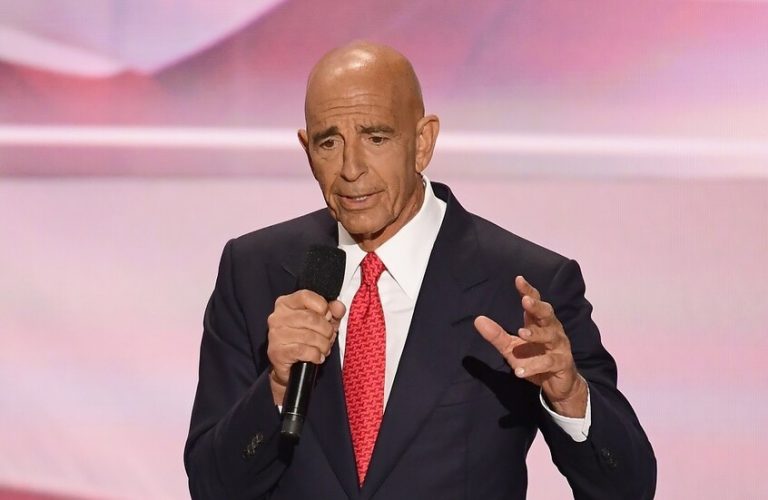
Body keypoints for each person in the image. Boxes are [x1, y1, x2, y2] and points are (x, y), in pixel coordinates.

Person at [184, 41, 656, 499]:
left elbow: (629, 488)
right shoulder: (252, 272)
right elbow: (210, 486)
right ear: (307, 150)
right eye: (329, 142)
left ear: (423, 142)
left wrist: (570, 398)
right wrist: (276, 387)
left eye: (376, 138)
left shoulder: (525, 287)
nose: (351, 168)